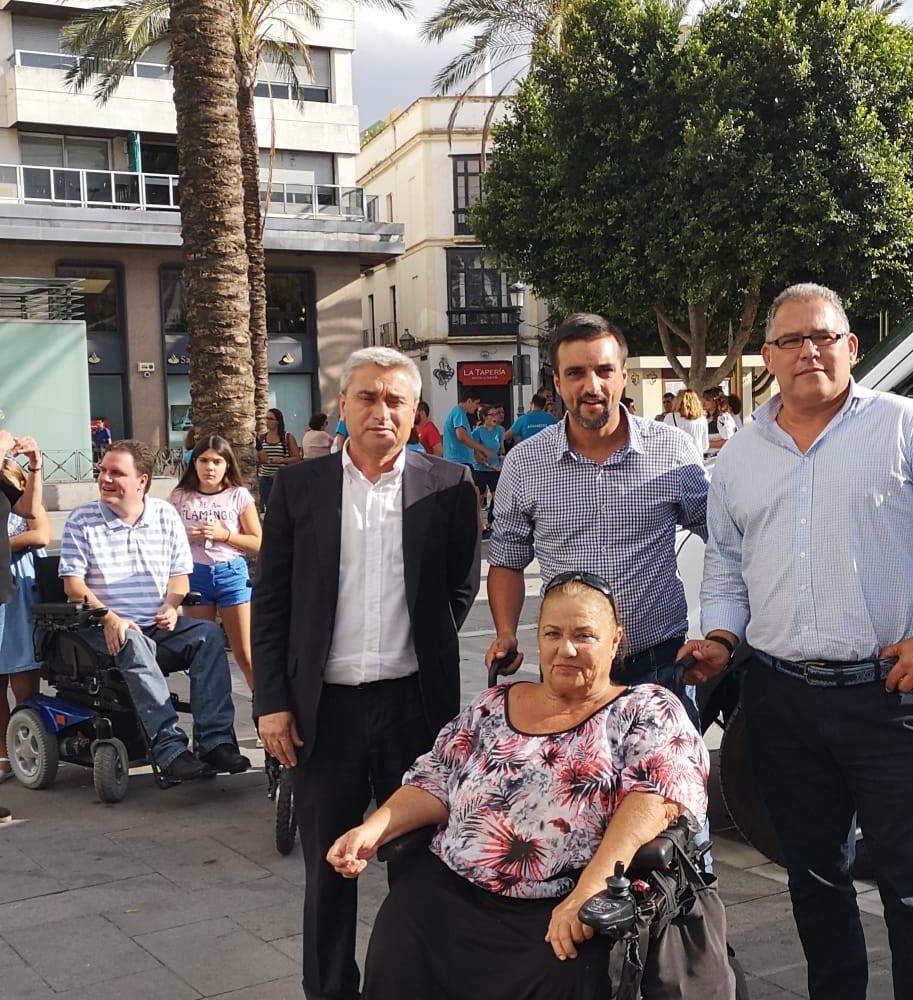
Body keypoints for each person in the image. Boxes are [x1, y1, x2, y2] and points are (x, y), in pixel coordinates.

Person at [682, 282, 913, 1000]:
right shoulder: (739, 457)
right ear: (768, 357)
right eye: (791, 340)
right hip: (780, 699)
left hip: (889, 696)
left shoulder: (907, 428)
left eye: (823, 336)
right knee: (813, 878)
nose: (809, 352)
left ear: (851, 346)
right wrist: (720, 637)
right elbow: (727, 563)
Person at [327, 572, 711, 1000]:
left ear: (616, 640)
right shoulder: (493, 705)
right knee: (399, 941)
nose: (566, 649)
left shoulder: (645, 708)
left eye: (584, 635)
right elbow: (434, 778)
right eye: (553, 634)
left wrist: (592, 887)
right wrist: (372, 829)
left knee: (571, 968)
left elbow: (657, 797)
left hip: (562, 899)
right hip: (451, 889)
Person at [252, 347, 481, 1000]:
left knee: (418, 864)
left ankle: (411, 985)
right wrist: (271, 703)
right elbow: (271, 602)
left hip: (414, 708)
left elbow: (458, 588)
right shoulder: (299, 488)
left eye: (395, 400)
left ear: (414, 411)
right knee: (329, 867)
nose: (381, 411)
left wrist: (420, 644)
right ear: (343, 405)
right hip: (323, 713)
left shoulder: (449, 485)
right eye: (368, 397)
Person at [486, 313, 708, 698]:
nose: (592, 386)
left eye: (604, 371)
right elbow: (507, 559)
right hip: (567, 667)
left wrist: (721, 630)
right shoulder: (524, 463)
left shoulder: (673, 451)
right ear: (557, 382)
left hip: (659, 665)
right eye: (575, 373)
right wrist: (506, 632)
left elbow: (723, 540)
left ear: (623, 375)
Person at [59, 441, 250, 783]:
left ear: (142, 481)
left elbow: (180, 577)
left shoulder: (165, 515)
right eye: (102, 471)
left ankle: (215, 742)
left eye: (116, 473)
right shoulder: (82, 519)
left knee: (209, 635)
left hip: (156, 625)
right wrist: (110, 617)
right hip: (103, 628)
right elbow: (73, 585)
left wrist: (172, 606)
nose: (105, 478)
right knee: (133, 640)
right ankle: (170, 750)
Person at [169, 435, 262, 692]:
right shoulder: (179, 496)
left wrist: (225, 535)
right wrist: (183, 535)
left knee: (245, 652)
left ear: (227, 465)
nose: (210, 467)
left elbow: (258, 542)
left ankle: (264, 707)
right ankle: (210, 710)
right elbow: (162, 537)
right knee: (202, 652)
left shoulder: (238, 495)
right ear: (194, 463)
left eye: (217, 461)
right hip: (194, 574)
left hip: (230, 574)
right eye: (204, 460)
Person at [0, 439, 47, 788]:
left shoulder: (19, 497)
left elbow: (41, 533)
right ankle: (3, 752)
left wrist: (34, 466)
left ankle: (30, 746)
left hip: (19, 593)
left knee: (23, 674)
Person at [470, 404, 505, 535]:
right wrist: (488, 464)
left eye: (497, 414)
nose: (496, 417)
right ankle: (478, 525)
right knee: (480, 497)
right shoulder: (477, 432)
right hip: (480, 468)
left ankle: (492, 522)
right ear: (485, 417)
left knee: (497, 497)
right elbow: (476, 454)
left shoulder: (500, 430)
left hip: (495, 469)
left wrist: (501, 462)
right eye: (492, 414)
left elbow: (501, 448)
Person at [257, 408, 301, 510]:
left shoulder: (287, 437)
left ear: (277, 421)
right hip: (265, 479)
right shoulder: (262, 438)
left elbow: (297, 458)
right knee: (269, 509)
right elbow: (259, 458)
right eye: (266, 418)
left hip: (282, 479)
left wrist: (281, 460)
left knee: (283, 508)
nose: (267, 421)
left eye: (270, 419)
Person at [442, 390, 492, 471]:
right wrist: (482, 449)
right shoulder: (458, 412)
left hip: (459, 462)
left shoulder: (460, 413)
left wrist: (476, 453)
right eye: (476, 403)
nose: (477, 407)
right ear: (469, 401)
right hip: (458, 463)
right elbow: (461, 437)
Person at [666, 388, 709, 456]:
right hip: (697, 456)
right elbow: (705, 446)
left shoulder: (670, 417)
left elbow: (667, 441)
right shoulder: (702, 419)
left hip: (679, 456)